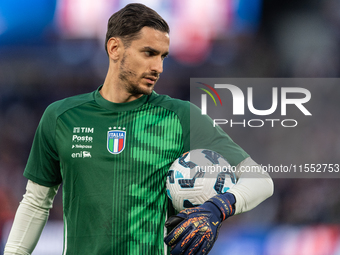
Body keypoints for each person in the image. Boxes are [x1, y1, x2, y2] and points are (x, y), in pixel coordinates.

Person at [4, 3, 273, 255]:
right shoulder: (61, 116)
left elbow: (259, 180)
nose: (158, 67)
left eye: (162, 56)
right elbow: (36, 203)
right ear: (114, 49)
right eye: (148, 53)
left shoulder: (181, 117)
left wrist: (217, 207)